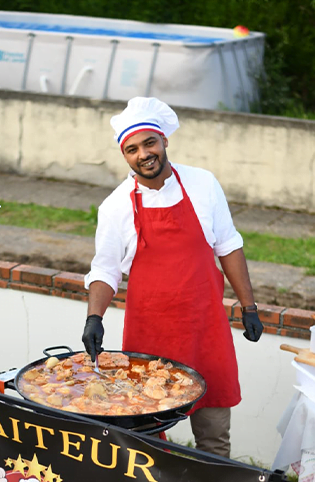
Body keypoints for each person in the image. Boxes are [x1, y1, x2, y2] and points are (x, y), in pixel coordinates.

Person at [82, 96, 263, 458]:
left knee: (214, 438)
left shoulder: (202, 184)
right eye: (132, 149)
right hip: (150, 338)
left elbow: (228, 245)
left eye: (149, 142)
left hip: (205, 331)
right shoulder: (116, 206)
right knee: (145, 439)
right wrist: (93, 318)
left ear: (165, 140)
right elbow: (105, 269)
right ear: (125, 156)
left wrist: (249, 306)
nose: (143, 154)